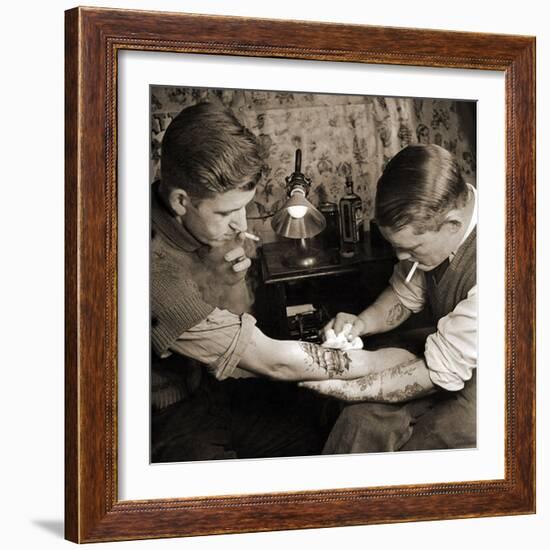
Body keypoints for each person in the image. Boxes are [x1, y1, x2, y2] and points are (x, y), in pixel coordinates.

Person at [150, 102, 417, 462]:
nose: (239, 223)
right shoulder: (151, 264)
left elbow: (231, 319)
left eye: (243, 206)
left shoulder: (196, 226)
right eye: (227, 212)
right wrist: (382, 363)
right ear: (181, 200)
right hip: (160, 412)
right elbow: (273, 360)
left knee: (320, 422)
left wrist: (227, 276)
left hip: (208, 388)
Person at [301, 144, 477, 453]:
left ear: (453, 225)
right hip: (447, 354)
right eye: (396, 246)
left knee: (424, 447)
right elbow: (404, 292)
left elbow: (438, 372)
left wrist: (352, 388)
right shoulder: (431, 228)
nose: (400, 256)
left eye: (412, 248)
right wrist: (362, 323)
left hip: (508, 382)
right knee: (361, 420)